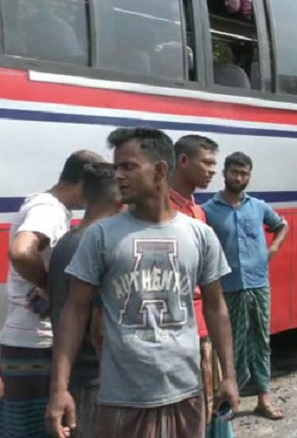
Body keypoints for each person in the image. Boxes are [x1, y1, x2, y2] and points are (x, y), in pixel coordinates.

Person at [44, 127, 239, 438]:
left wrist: (229, 376)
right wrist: (59, 388)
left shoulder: (199, 234)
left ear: (160, 170)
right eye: (117, 166)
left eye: (128, 166)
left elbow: (216, 309)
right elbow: (74, 311)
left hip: (186, 392)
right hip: (123, 399)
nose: (118, 175)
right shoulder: (100, 236)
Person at [0, 150, 103, 438]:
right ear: (83, 180)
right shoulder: (48, 209)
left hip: (29, 342)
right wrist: (49, 286)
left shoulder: (48, 206)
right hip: (34, 343)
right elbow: (21, 251)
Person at [203, 152, 289, 420]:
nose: (239, 178)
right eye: (235, 172)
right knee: (230, 345)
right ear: (225, 173)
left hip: (258, 285)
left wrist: (273, 249)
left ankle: (264, 398)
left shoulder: (258, 206)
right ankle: (231, 399)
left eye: (244, 173)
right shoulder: (208, 211)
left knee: (260, 342)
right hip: (226, 288)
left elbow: (282, 225)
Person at [47, 162, 124, 438]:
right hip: (98, 380)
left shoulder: (67, 242)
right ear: (120, 202)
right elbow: (99, 326)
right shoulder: (99, 246)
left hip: (74, 378)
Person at [169, 134, 234, 437]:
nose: (212, 170)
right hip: (179, 333)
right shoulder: (165, 213)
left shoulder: (197, 211)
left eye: (214, 164)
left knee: (210, 411)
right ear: (182, 161)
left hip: (203, 330)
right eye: (206, 163)